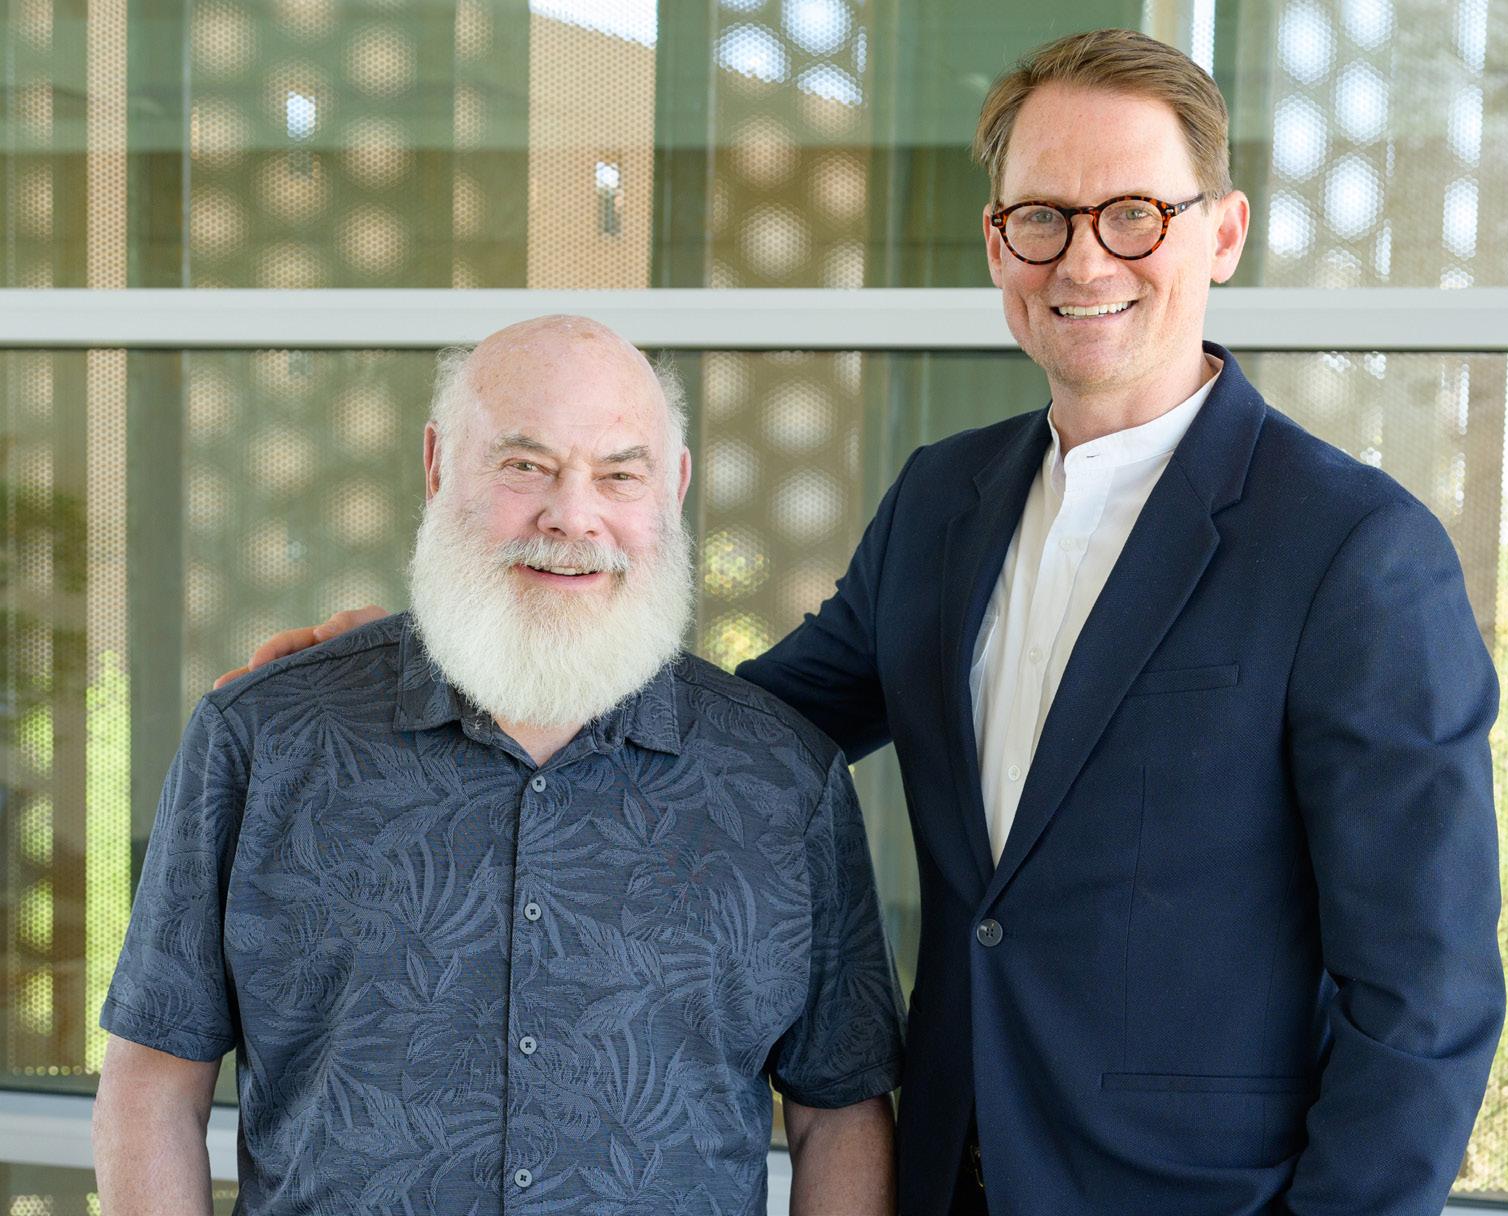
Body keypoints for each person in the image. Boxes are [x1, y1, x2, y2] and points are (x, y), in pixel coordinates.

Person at [230, 29, 1505, 1216]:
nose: (1083, 261)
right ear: (996, 245)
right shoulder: (944, 499)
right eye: (1040, 218)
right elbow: (740, 732)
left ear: (1220, 233)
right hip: (944, 1179)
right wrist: (461, 647)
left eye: (1134, 214)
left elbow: (1426, 996)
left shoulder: (1350, 551)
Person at [93, 316, 903, 1216]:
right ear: (437, 466)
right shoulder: (265, 740)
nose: (572, 516)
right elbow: (154, 1081)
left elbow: (839, 1115)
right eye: (524, 465)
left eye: (619, 474)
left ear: (673, 488)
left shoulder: (783, 780)